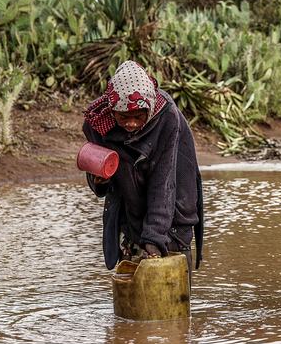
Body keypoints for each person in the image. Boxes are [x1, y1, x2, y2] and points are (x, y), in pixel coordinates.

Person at [83, 60, 203, 271]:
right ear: (112, 112)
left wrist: (154, 239)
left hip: (174, 207)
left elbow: (164, 181)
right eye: (123, 117)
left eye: (138, 116)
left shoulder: (166, 117)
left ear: (148, 108)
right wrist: (99, 180)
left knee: (172, 280)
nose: (131, 123)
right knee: (131, 274)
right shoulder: (98, 124)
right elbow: (99, 177)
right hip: (129, 210)